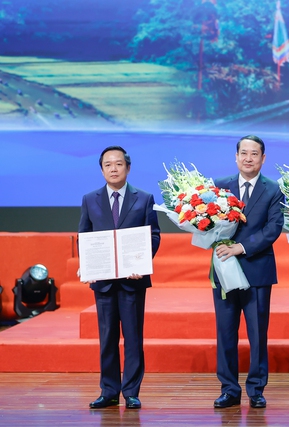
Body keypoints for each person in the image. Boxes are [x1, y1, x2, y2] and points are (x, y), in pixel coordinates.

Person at [79, 146, 161, 409]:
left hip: (132, 280)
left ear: (128, 167)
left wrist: (142, 262)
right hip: (103, 281)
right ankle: (109, 391)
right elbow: (85, 235)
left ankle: (132, 392)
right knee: (107, 337)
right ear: (102, 169)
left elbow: (154, 235)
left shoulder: (144, 198)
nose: (113, 169)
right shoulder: (90, 199)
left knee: (133, 338)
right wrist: (86, 265)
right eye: (108, 165)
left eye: (118, 164)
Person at [212, 135, 284, 409]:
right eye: (244, 153)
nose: (248, 158)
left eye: (254, 154)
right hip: (224, 268)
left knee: (257, 333)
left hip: (257, 270)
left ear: (263, 158)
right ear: (236, 157)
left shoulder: (273, 189)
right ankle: (229, 389)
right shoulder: (219, 186)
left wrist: (241, 247)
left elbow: (273, 228)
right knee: (226, 332)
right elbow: (206, 222)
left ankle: (256, 389)